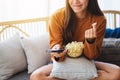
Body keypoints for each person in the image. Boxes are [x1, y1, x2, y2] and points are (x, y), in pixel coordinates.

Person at [30, 0, 120, 80]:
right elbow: (56, 53)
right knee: (36, 77)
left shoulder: (99, 19)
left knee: (117, 73)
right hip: (63, 61)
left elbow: (92, 56)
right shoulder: (57, 17)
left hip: (86, 61)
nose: (75, 1)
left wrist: (90, 42)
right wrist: (57, 51)